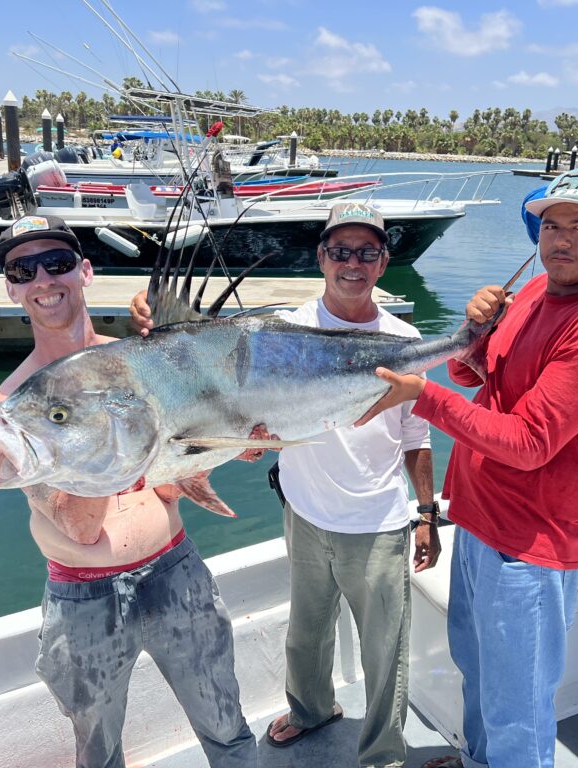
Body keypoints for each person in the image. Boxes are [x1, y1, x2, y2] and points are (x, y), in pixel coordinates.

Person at [129, 200, 442, 768]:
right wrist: (161, 331)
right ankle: (311, 710)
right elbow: (230, 398)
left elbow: (417, 436)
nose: (353, 262)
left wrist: (426, 512)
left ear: (383, 260)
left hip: (376, 522)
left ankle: (383, 756)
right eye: (341, 250)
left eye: (366, 252)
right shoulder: (283, 330)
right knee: (306, 632)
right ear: (322, 257)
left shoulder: (405, 338)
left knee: (383, 652)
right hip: (302, 510)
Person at [356, 169, 578, 768]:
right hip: (482, 524)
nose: (561, 239)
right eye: (551, 224)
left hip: (532, 546)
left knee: (519, 708)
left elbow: (529, 442)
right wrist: (473, 333)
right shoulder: (538, 294)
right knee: (477, 668)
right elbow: (478, 375)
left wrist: (421, 395)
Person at [0, 214, 257, 768]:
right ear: (12, 288)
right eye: (23, 269)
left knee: (225, 723)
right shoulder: (17, 404)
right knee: (100, 751)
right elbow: (81, 527)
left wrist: (224, 446)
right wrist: (105, 434)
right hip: (84, 599)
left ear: (85, 271)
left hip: (175, 570)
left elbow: (170, 481)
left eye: (57, 262)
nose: (44, 279)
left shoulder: (145, 360)